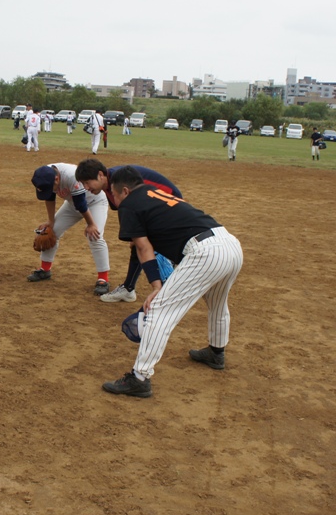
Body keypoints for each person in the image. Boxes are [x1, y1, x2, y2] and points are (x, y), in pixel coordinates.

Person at [101, 166, 243, 398]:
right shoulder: (154, 191)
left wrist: (157, 286)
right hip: (229, 243)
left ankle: (140, 378)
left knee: (158, 310)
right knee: (217, 303)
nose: (114, 201)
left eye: (114, 195)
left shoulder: (128, 204)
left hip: (205, 252)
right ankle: (216, 353)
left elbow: (143, 248)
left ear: (125, 191)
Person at [75, 158, 182, 304]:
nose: (86, 187)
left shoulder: (120, 181)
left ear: (100, 175)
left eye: (87, 182)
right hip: (151, 206)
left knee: (150, 247)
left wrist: (136, 236)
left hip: (167, 202)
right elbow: (124, 209)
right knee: (138, 244)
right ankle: (128, 288)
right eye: (83, 184)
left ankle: (168, 290)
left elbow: (135, 204)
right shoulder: (109, 187)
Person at [27, 163, 111, 295]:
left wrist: (91, 224)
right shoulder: (45, 175)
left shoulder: (71, 175)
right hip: (73, 204)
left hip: (95, 202)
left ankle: (103, 279)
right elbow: (50, 197)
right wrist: (51, 221)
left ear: (57, 179)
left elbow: (81, 204)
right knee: (51, 231)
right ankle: (45, 270)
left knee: (95, 236)